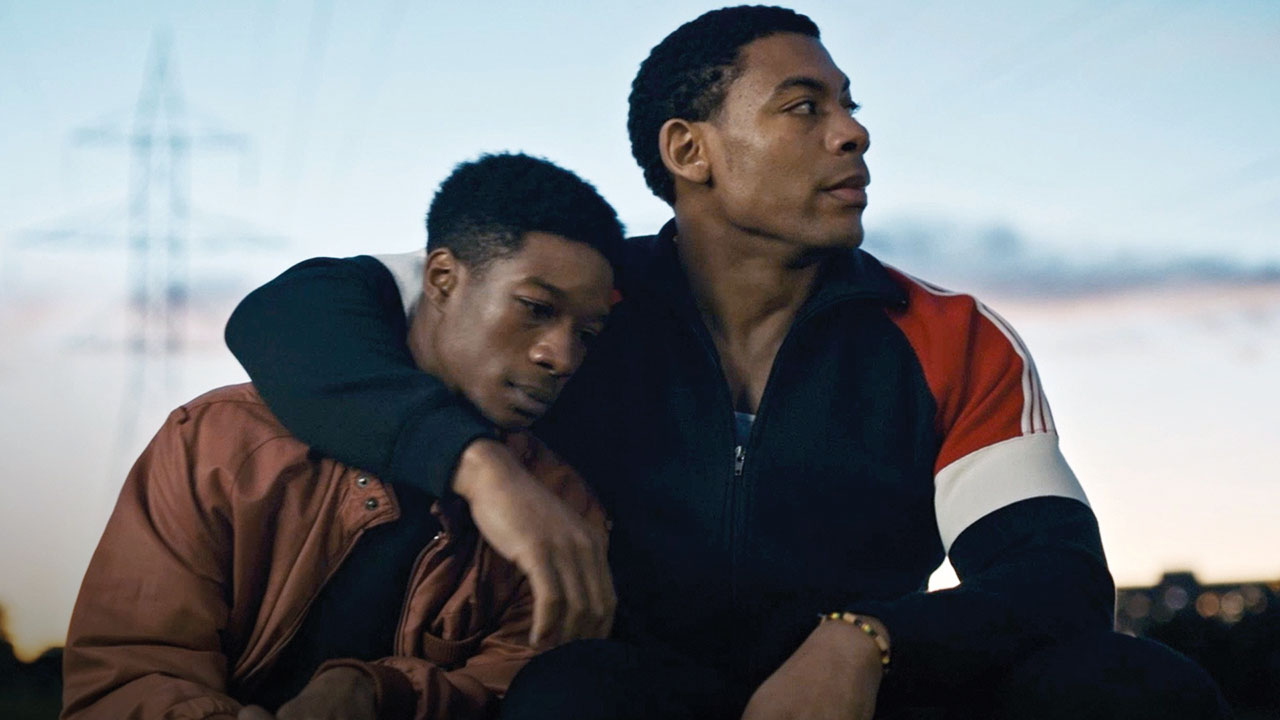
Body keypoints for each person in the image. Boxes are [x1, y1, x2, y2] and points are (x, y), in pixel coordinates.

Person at [223, 6, 1230, 719]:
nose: (853, 133)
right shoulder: (577, 299)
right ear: (688, 151)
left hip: (867, 689)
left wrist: (864, 639)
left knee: (1134, 686)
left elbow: (1052, 581)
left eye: (848, 105)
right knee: (571, 696)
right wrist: (477, 466)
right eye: (803, 107)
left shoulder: (948, 335)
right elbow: (292, 313)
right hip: (627, 686)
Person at [62, 153, 623, 720]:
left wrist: (377, 694)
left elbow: (512, 693)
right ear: (442, 279)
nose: (561, 356)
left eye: (587, 334)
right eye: (535, 308)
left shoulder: (563, 506)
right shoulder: (221, 445)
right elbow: (126, 678)